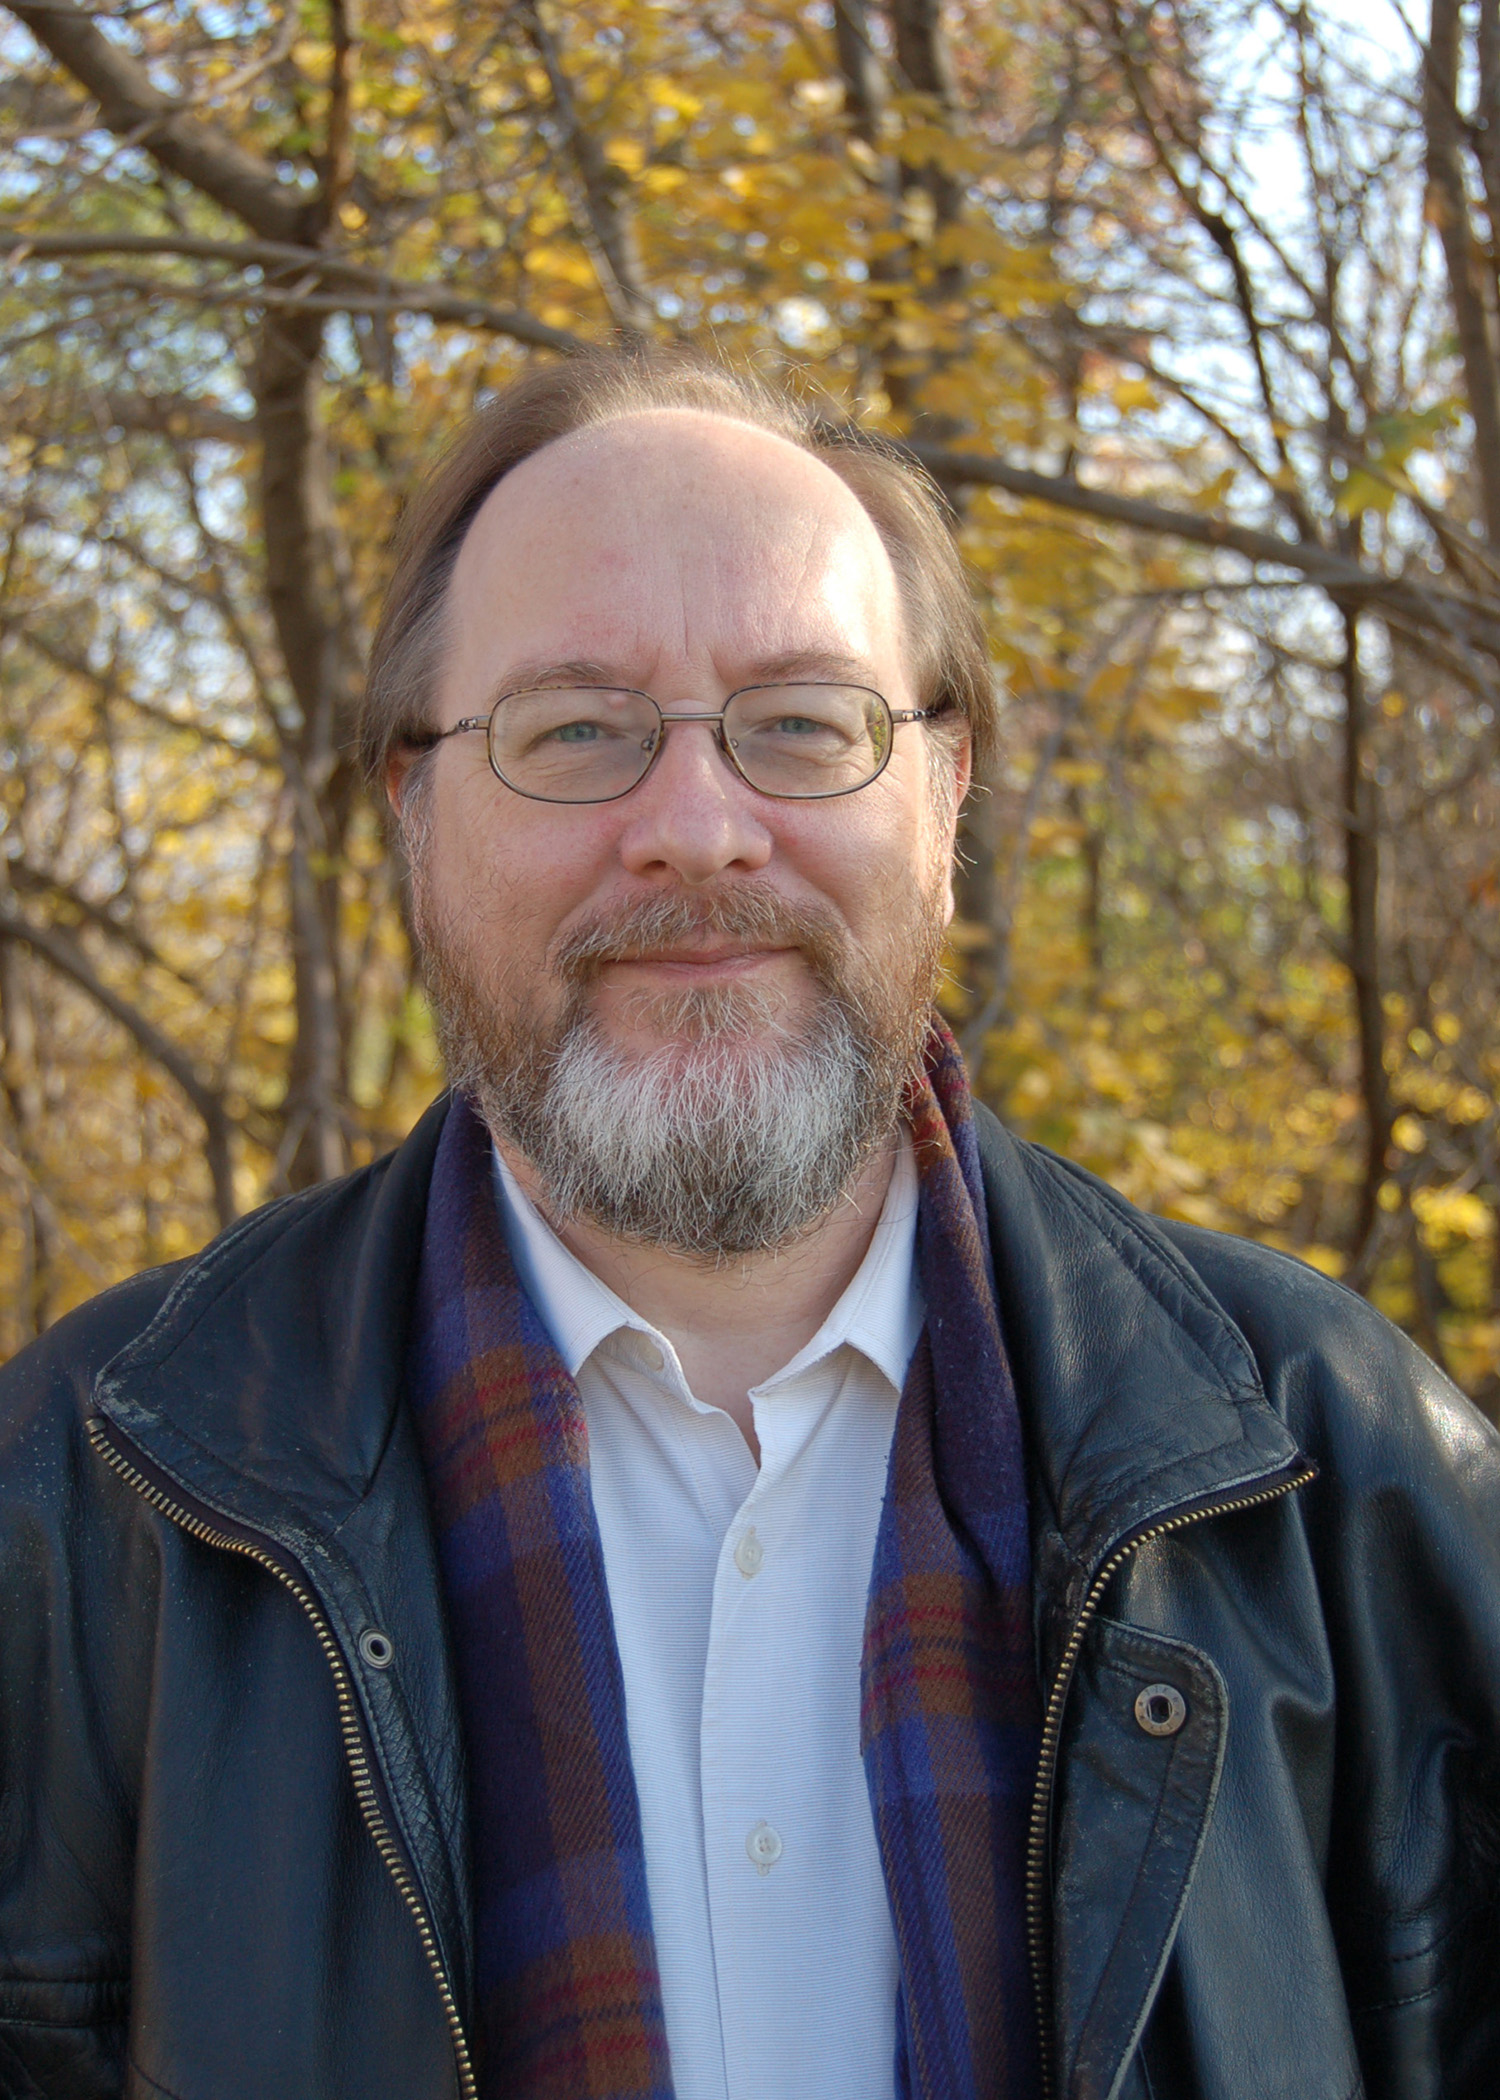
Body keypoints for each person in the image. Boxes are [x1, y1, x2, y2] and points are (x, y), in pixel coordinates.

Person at [3, 347, 1499, 2100]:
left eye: (801, 722)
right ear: (417, 813)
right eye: (576, 732)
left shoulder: (1344, 1473)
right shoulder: (84, 1507)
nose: (698, 833)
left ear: (942, 801)